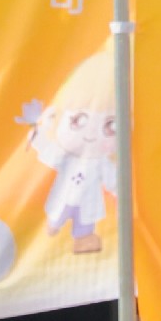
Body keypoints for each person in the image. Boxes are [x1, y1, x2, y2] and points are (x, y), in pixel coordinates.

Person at [24, 47, 117, 254]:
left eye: (111, 126)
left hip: (88, 200)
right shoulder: (66, 155)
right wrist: (38, 137)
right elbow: (50, 152)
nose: (91, 134)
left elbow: (114, 179)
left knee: (85, 222)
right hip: (65, 194)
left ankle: (82, 238)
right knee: (59, 212)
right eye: (78, 120)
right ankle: (52, 226)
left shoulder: (101, 162)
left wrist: (122, 193)